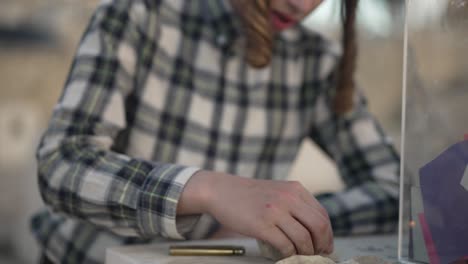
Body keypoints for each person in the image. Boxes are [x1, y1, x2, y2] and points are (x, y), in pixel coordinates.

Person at [32, 0, 400, 263]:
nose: (302, 5)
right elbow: (62, 164)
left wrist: (285, 219)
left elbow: (396, 189)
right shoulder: (138, 15)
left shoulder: (318, 63)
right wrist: (208, 190)